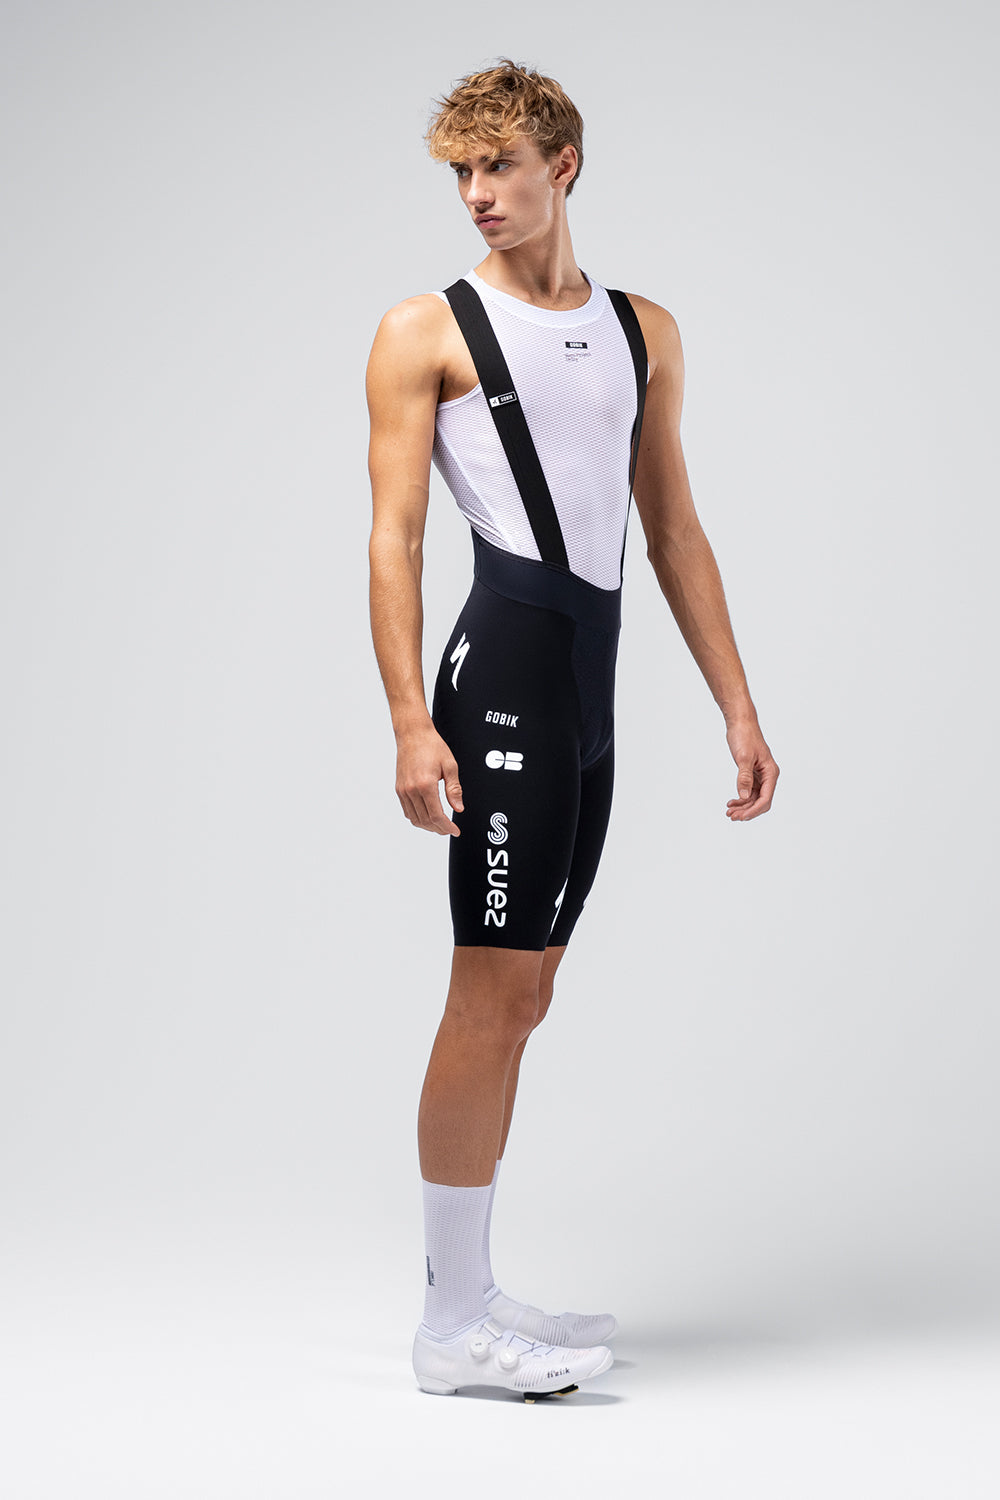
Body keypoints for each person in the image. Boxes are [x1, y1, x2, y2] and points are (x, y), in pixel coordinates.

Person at [366, 60, 779, 1401]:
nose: (478, 195)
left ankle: (477, 1294)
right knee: (487, 993)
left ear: (565, 165)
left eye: (500, 166)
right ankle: (449, 1326)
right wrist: (409, 721)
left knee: (529, 991)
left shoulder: (642, 330)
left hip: (584, 692)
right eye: (461, 172)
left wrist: (736, 703)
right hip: (497, 684)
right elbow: (394, 537)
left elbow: (673, 529)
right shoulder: (425, 331)